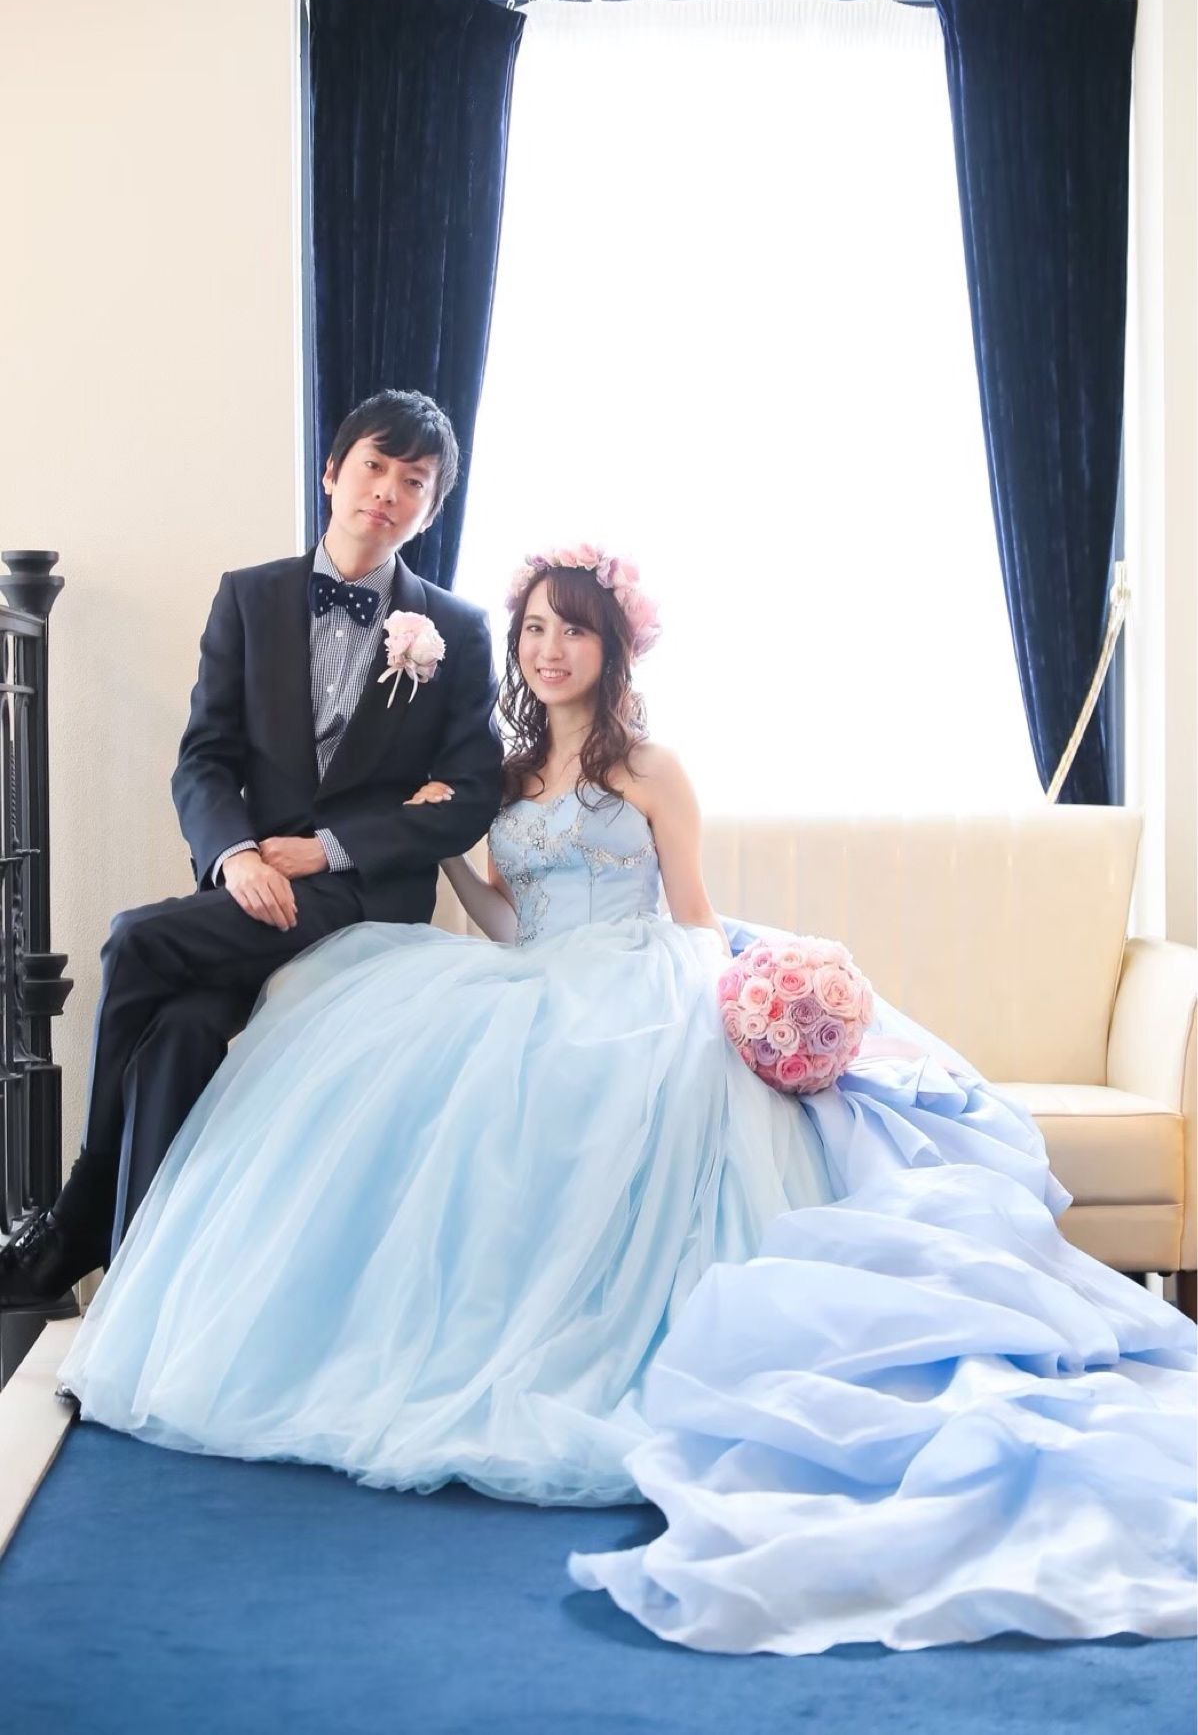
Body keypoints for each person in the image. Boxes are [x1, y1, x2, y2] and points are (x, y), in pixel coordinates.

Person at [59, 548, 1195, 1654]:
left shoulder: (651, 767)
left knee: (613, 1082)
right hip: (531, 974)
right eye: (534, 629)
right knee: (381, 1047)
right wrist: (448, 850)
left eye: (573, 629)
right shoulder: (502, 775)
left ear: (612, 646)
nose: (549, 649)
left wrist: (726, 1002)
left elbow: (692, 913)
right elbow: (510, 921)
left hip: (644, 975)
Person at [0, 390, 503, 1312]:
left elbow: (472, 793)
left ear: (432, 509)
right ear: (333, 472)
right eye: (374, 466)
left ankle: (79, 1209)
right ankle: (138, 1298)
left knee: (136, 938)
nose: (387, 492)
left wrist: (332, 849)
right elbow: (204, 759)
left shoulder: (457, 632)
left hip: (363, 901)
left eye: (414, 482)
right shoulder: (249, 595)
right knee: (179, 1034)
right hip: (250, 892)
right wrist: (235, 856)